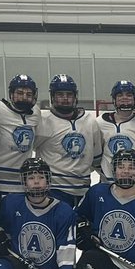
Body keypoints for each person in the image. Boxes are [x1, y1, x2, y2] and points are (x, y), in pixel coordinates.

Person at [35, 74, 101, 204]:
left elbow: (96, 158)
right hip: (53, 190)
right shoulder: (42, 121)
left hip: (83, 190)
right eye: (60, 95)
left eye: (69, 95)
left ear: (75, 96)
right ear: (52, 97)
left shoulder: (90, 122)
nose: (65, 99)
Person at [0, 73, 43, 200]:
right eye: (20, 93)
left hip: (22, 185)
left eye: (28, 94)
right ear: (11, 94)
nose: (24, 97)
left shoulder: (36, 113)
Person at [97, 80, 135, 182]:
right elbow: (95, 153)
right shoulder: (100, 123)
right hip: (107, 181)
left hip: (134, 182)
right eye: (120, 95)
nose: (124, 98)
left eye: (129, 95)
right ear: (114, 99)